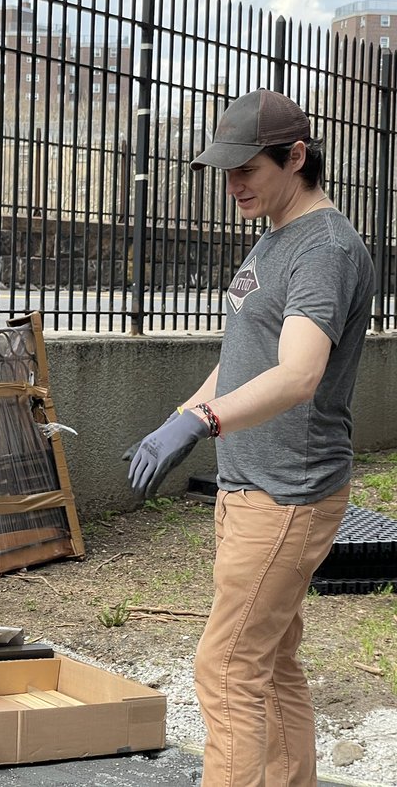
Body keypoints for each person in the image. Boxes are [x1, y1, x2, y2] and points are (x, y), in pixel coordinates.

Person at [125, 89, 374, 787]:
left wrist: (202, 422)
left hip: (286, 493)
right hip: (252, 487)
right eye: (225, 171)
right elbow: (251, 352)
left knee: (227, 667)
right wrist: (184, 411)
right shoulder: (276, 230)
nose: (234, 184)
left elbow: (297, 374)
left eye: (247, 169)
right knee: (271, 664)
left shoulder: (323, 248)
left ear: (296, 157)